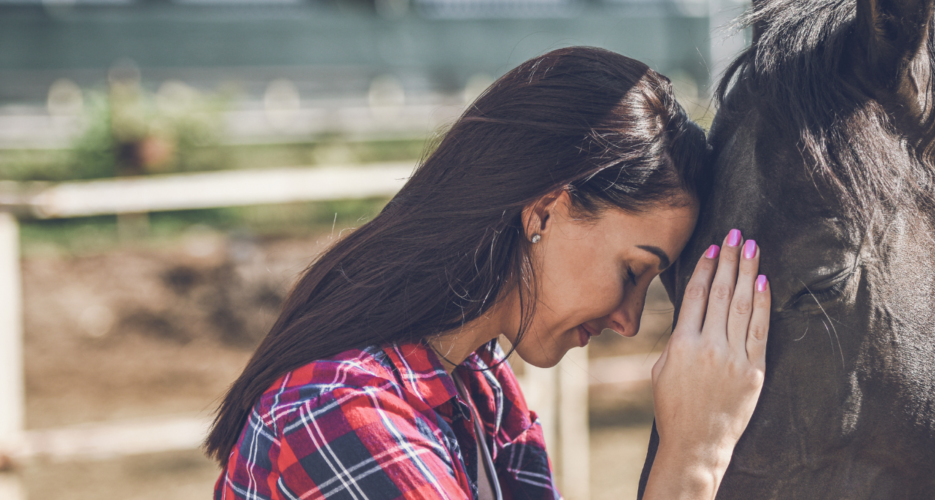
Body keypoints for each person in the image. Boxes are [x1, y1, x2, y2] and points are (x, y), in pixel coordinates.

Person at [205, 46, 771, 500]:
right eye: (633, 272)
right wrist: (692, 461)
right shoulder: (342, 415)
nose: (629, 321)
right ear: (545, 212)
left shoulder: (483, 395)